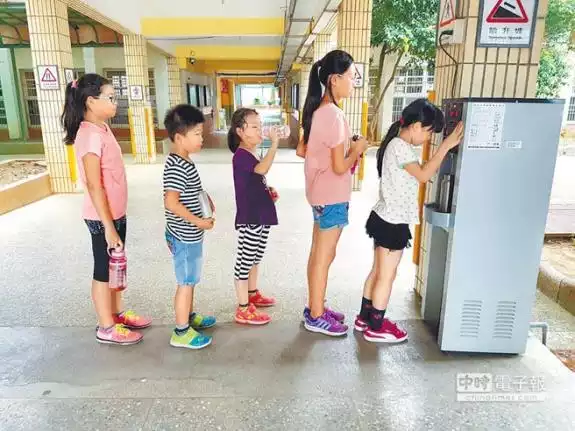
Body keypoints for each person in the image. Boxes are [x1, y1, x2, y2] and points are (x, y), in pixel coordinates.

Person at [355, 98, 463, 343]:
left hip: (384, 216)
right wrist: (445, 146)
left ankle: (365, 318)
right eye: (428, 132)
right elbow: (424, 175)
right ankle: (377, 326)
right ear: (415, 126)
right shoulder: (401, 146)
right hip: (393, 222)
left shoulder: (395, 144)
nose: (428, 137)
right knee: (387, 276)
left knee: (378, 271)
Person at [61, 73, 151, 346]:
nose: (115, 103)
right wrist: (109, 226)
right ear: (91, 101)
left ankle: (117, 312)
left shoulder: (101, 127)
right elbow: (93, 184)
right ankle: (106, 326)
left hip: (115, 213)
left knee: (115, 265)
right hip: (102, 218)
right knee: (103, 270)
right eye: (110, 98)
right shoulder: (88, 134)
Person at [301, 49, 369, 336]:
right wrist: (358, 148)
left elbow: (304, 150)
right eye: (351, 77)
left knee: (318, 253)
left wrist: (346, 147)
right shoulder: (334, 115)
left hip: (320, 194)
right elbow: (341, 166)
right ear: (334, 79)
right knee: (324, 256)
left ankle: (315, 306)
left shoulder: (318, 111)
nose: (354, 82)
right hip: (332, 195)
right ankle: (316, 315)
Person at [163, 104, 216, 349]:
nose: (201, 138)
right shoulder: (177, 166)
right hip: (184, 235)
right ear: (179, 138)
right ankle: (181, 331)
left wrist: (205, 199)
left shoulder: (185, 162)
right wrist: (198, 221)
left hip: (190, 234)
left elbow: (190, 191)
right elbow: (171, 202)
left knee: (191, 278)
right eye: (196, 134)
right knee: (186, 281)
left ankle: (189, 316)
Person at [228, 108, 280, 325]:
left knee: (255, 257)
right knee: (245, 260)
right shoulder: (241, 155)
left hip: (261, 214)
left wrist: (268, 191)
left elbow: (255, 180)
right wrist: (274, 144)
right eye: (255, 126)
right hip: (251, 217)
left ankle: (252, 293)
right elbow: (262, 170)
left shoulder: (251, 153)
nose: (260, 130)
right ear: (240, 131)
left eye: (261, 125)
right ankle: (243, 308)